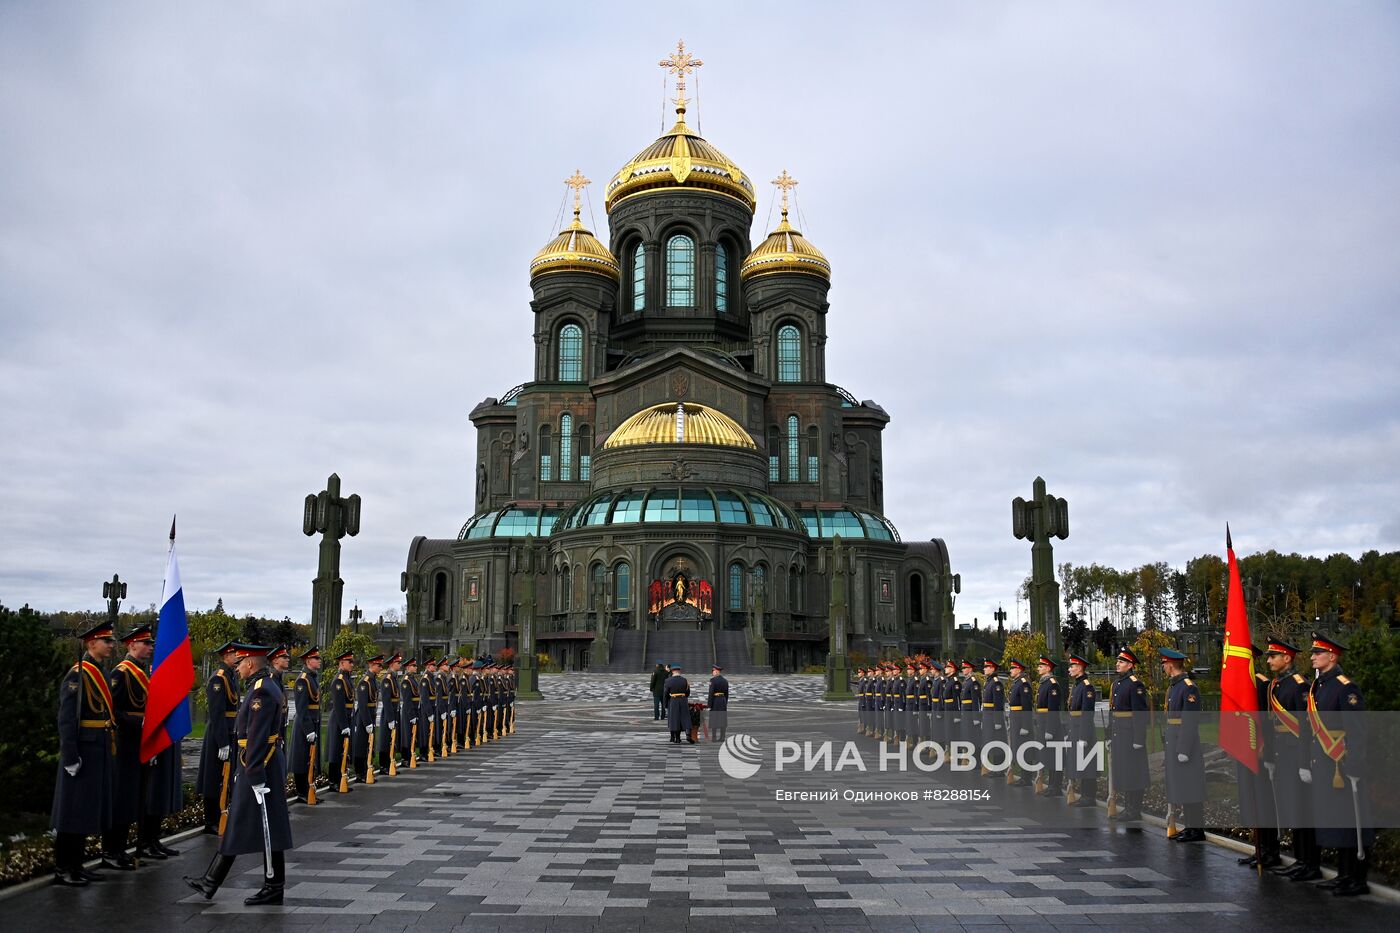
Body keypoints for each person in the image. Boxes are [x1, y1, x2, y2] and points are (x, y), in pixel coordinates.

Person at [184, 643, 294, 906]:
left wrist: (254, 774)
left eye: (241, 662)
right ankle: (219, 882)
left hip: (258, 765)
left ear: (251, 664)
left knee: (252, 822)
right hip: (260, 764)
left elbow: (256, 737)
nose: (238, 666)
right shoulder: (266, 686)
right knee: (265, 824)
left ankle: (265, 885)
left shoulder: (262, 692)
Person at [1305, 632, 1373, 897]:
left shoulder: (1346, 688)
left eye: (1316, 653)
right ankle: (1343, 874)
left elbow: (1356, 730)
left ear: (1331, 656)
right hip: (1325, 762)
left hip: (1342, 763)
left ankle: (1357, 878)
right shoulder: (1319, 687)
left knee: (1352, 818)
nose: (1311, 657)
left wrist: (1355, 764)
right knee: (1337, 818)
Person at [51, 622, 118, 886]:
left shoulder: (97, 672)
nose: (112, 645)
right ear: (91, 644)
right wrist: (70, 756)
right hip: (82, 751)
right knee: (71, 811)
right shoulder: (78, 675)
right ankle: (63, 867)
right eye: (107, 641)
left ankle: (76, 865)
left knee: (84, 811)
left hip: (97, 749)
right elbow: (67, 719)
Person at [1262, 639, 1320, 881]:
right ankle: (1300, 859)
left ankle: (1310, 862)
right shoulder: (1277, 685)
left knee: (1303, 808)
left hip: (1296, 753)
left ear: (1287, 658)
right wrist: (1270, 757)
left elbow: (1305, 727)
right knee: (1293, 807)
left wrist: (1304, 761)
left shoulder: (1298, 686)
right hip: (1282, 754)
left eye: (1273, 656)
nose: (1268, 660)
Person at [101, 624, 156, 869]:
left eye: (150, 643)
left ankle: (122, 849)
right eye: (146, 643)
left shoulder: (140, 671)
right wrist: (139, 721)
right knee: (121, 797)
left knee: (134, 796)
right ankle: (111, 851)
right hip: (124, 743)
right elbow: (113, 710)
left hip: (139, 742)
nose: (150, 647)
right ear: (131, 644)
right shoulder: (121, 673)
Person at [1236, 644, 1280, 868]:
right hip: (1245, 749)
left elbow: (1268, 722)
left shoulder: (1262, 684)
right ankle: (1259, 849)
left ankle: (1271, 851)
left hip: (1260, 751)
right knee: (1251, 799)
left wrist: (1267, 752)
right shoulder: (1237, 685)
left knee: (1263, 802)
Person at [1161, 648, 1205, 842]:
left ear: (1171, 665)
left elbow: (1190, 720)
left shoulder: (1188, 687)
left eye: (1164, 664)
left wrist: (1184, 749)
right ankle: (1189, 826)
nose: (1163, 667)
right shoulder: (1174, 686)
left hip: (1185, 746)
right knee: (1182, 786)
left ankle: (1196, 829)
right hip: (1174, 741)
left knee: (1191, 786)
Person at [196, 641, 240, 833]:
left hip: (230, 731)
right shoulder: (218, 679)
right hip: (218, 732)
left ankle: (222, 813)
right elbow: (216, 712)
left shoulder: (231, 676)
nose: (238, 657)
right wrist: (222, 742)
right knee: (213, 777)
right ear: (226, 656)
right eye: (234, 654)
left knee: (227, 775)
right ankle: (211, 820)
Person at [1108, 646, 1149, 821]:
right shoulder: (1117, 684)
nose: (1118, 664)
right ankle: (1128, 807)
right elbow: (1113, 712)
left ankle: (1134, 809)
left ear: (1130, 664)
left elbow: (1140, 714)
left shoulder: (1135, 684)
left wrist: (1139, 738)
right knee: (1123, 771)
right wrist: (1109, 735)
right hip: (1119, 734)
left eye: (1121, 661)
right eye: (1118, 661)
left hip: (1130, 735)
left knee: (1134, 772)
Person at [1066, 653, 1097, 807]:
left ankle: (1089, 796)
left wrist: (1084, 737)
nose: (1069, 669)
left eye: (1072, 666)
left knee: (1087, 764)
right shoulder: (1077, 685)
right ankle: (1085, 795)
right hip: (1076, 729)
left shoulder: (1086, 686)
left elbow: (1086, 713)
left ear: (1079, 668)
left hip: (1083, 731)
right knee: (1080, 763)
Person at [290, 647, 321, 803]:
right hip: (304, 724)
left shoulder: (313, 677)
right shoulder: (303, 680)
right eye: (316, 659)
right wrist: (308, 729)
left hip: (312, 721)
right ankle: (302, 792)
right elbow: (302, 708)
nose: (319, 661)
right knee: (302, 759)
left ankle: (310, 789)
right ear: (309, 661)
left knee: (311, 758)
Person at [1033, 656, 1063, 797]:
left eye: (1041, 666)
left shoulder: (1052, 684)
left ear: (1048, 668)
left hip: (1051, 726)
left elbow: (1053, 708)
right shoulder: (1044, 683)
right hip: (1043, 724)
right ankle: (1051, 785)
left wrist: (1050, 729)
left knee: (1054, 757)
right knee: (1048, 756)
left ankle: (1055, 786)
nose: (1038, 668)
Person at [326, 651, 355, 790]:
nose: (352, 664)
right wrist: (344, 725)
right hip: (339, 719)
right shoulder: (339, 679)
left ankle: (341, 779)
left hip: (346, 717)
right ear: (342, 663)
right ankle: (333, 782)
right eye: (350, 662)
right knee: (336, 751)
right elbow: (338, 704)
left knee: (344, 750)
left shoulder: (347, 678)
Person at [352, 654, 383, 782]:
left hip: (371, 714)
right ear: (371, 665)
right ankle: (360, 772)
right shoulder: (365, 682)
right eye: (378, 665)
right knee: (361, 745)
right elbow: (363, 705)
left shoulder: (373, 680)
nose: (381, 668)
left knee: (368, 745)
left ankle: (366, 770)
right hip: (364, 717)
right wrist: (367, 722)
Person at [1006, 659, 1033, 786]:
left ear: (1018, 669)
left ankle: (1026, 777)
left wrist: (1026, 725)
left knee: (1024, 749)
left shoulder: (1023, 683)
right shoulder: (1017, 682)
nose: (1010, 671)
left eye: (1012, 668)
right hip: (1015, 719)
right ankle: (1023, 776)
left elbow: (1027, 706)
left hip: (1021, 721)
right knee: (1018, 747)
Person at [379, 653, 402, 773]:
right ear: (392, 664)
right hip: (389, 713)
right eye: (398, 663)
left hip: (394, 711)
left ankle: (390, 763)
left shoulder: (393, 678)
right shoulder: (387, 679)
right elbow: (386, 700)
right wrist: (390, 718)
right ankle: (384, 765)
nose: (400, 665)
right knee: (386, 739)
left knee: (391, 739)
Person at [401, 657, 423, 764]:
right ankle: (406, 758)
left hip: (415, 709)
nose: (416, 667)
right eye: (413, 666)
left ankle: (412, 755)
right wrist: (411, 715)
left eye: (415, 665)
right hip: (409, 711)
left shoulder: (412, 679)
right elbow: (407, 700)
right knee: (407, 735)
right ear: (408, 667)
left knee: (413, 734)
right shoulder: (406, 681)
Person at [664, 664, 691, 743]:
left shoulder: (668, 680)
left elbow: (665, 694)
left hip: (674, 701)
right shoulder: (684, 680)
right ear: (679, 671)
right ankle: (687, 734)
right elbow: (688, 692)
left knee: (675, 719)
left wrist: (665, 704)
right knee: (684, 718)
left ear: (672, 672)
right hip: (683, 700)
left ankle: (677, 738)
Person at [707, 666, 729, 742]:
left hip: (715, 700)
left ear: (716, 671)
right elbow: (726, 694)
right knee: (722, 718)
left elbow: (711, 693)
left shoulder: (712, 680)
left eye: (713, 671)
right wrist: (725, 702)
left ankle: (714, 737)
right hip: (722, 700)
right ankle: (722, 737)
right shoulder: (725, 681)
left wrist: (709, 705)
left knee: (714, 718)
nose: (712, 672)